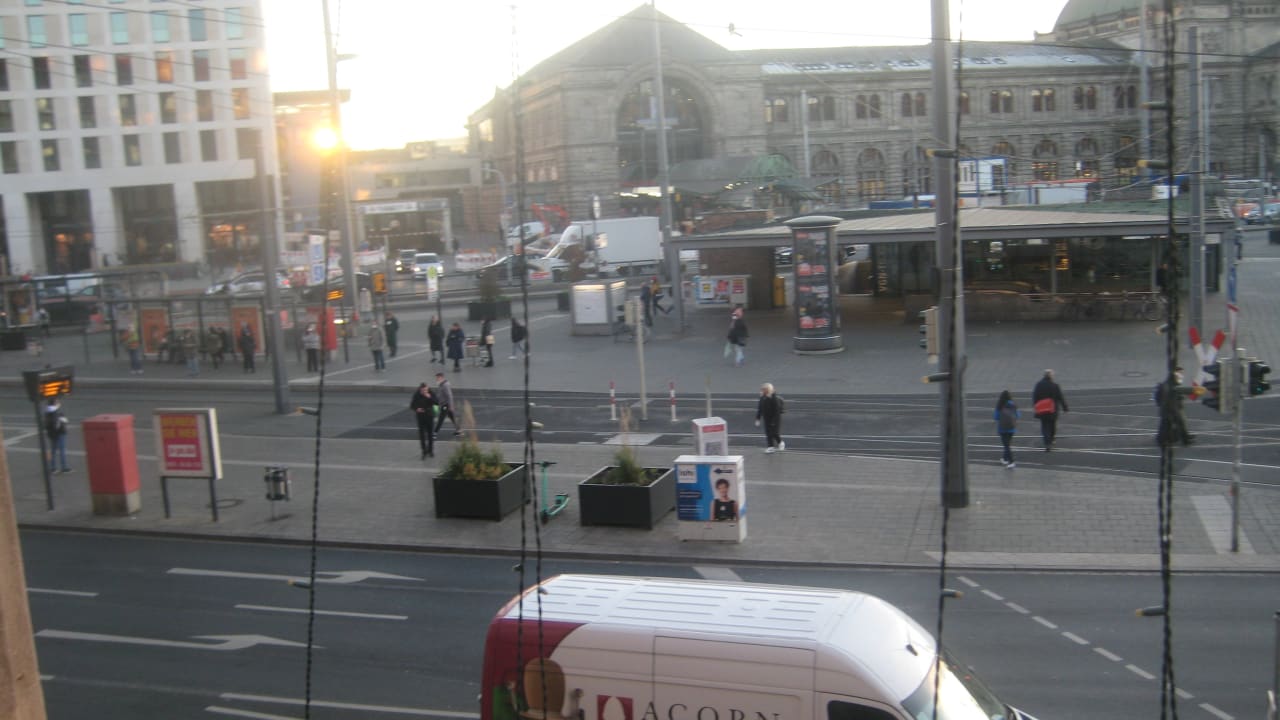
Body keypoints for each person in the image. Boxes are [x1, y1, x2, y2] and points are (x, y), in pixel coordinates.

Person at [1155, 366, 1196, 447]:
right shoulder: (1169, 385)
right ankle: (1184, 440)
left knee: (1172, 424)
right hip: (1170, 409)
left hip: (1171, 409)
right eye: (1180, 373)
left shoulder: (1170, 384)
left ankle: (1185, 438)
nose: (1182, 376)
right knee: (1173, 424)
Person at [1031, 369, 1069, 451]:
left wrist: (1035, 406)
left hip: (1042, 409)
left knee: (1045, 426)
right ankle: (1051, 439)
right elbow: (1060, 397)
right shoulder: (1055, 385)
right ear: (1051, 376)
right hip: (1053, 410)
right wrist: (1065, 407)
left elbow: (1035, 396)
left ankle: (1047, 443)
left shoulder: (1038, 385)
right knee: (1052, 426)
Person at [755, 381, 785, 453]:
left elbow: (777, 411)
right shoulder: (762, 398)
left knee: (774, 433)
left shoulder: (774, 398)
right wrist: (758, 418)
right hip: (767, 418)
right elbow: (760, 408)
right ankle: (770, 446)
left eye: (763, 389)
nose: (762, 391)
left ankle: (780, 442)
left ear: (768, 390)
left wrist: (774, 421)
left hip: (774, 419)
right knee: (768, 432)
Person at [409, 383, 438, 459]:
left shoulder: (430, 393)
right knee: (422, 435)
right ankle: (424, 452)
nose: (425, 391)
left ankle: (430, 451)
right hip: (420, 416)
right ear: (420, 389)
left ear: (427, 388)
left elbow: (437, 403)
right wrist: (416, 409)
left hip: (429, 416)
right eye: (423, 390)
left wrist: (430, 397)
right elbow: (412, 405)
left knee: (430, 434)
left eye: (426, 390)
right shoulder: (417, 394)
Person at [44, 397, 70, 474]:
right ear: (55, 402)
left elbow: (47, 424)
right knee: (62, 450)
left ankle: (52, 468)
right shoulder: (56, 412)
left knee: (53, 451)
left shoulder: (47, 412)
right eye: (57, 401)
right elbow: (58, 424)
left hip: (52, 434)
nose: (58, 402)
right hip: (59, 433)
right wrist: (63, 420)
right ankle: (64, 467)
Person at [994, 390, 1019, 468]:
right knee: (1007, 444)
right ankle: (1004, 459)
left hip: (1002, 428)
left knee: (1007, 445)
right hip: (1011, 428)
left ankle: (1011, 461)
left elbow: (996, 417)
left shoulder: (1000, 405)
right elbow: (1018, 415)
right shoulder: (1013, 405)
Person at [434, 372, 461, 436]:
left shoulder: (445, 385)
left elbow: (450, 396)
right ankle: (458, 430)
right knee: (452, 417)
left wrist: (451, 406)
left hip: (446, 405)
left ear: (442, 377)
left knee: (441, 418)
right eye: (436, 378)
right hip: (445, 404)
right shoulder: (441, 384)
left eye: (438, 378)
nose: (436, 379)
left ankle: (435, 433)